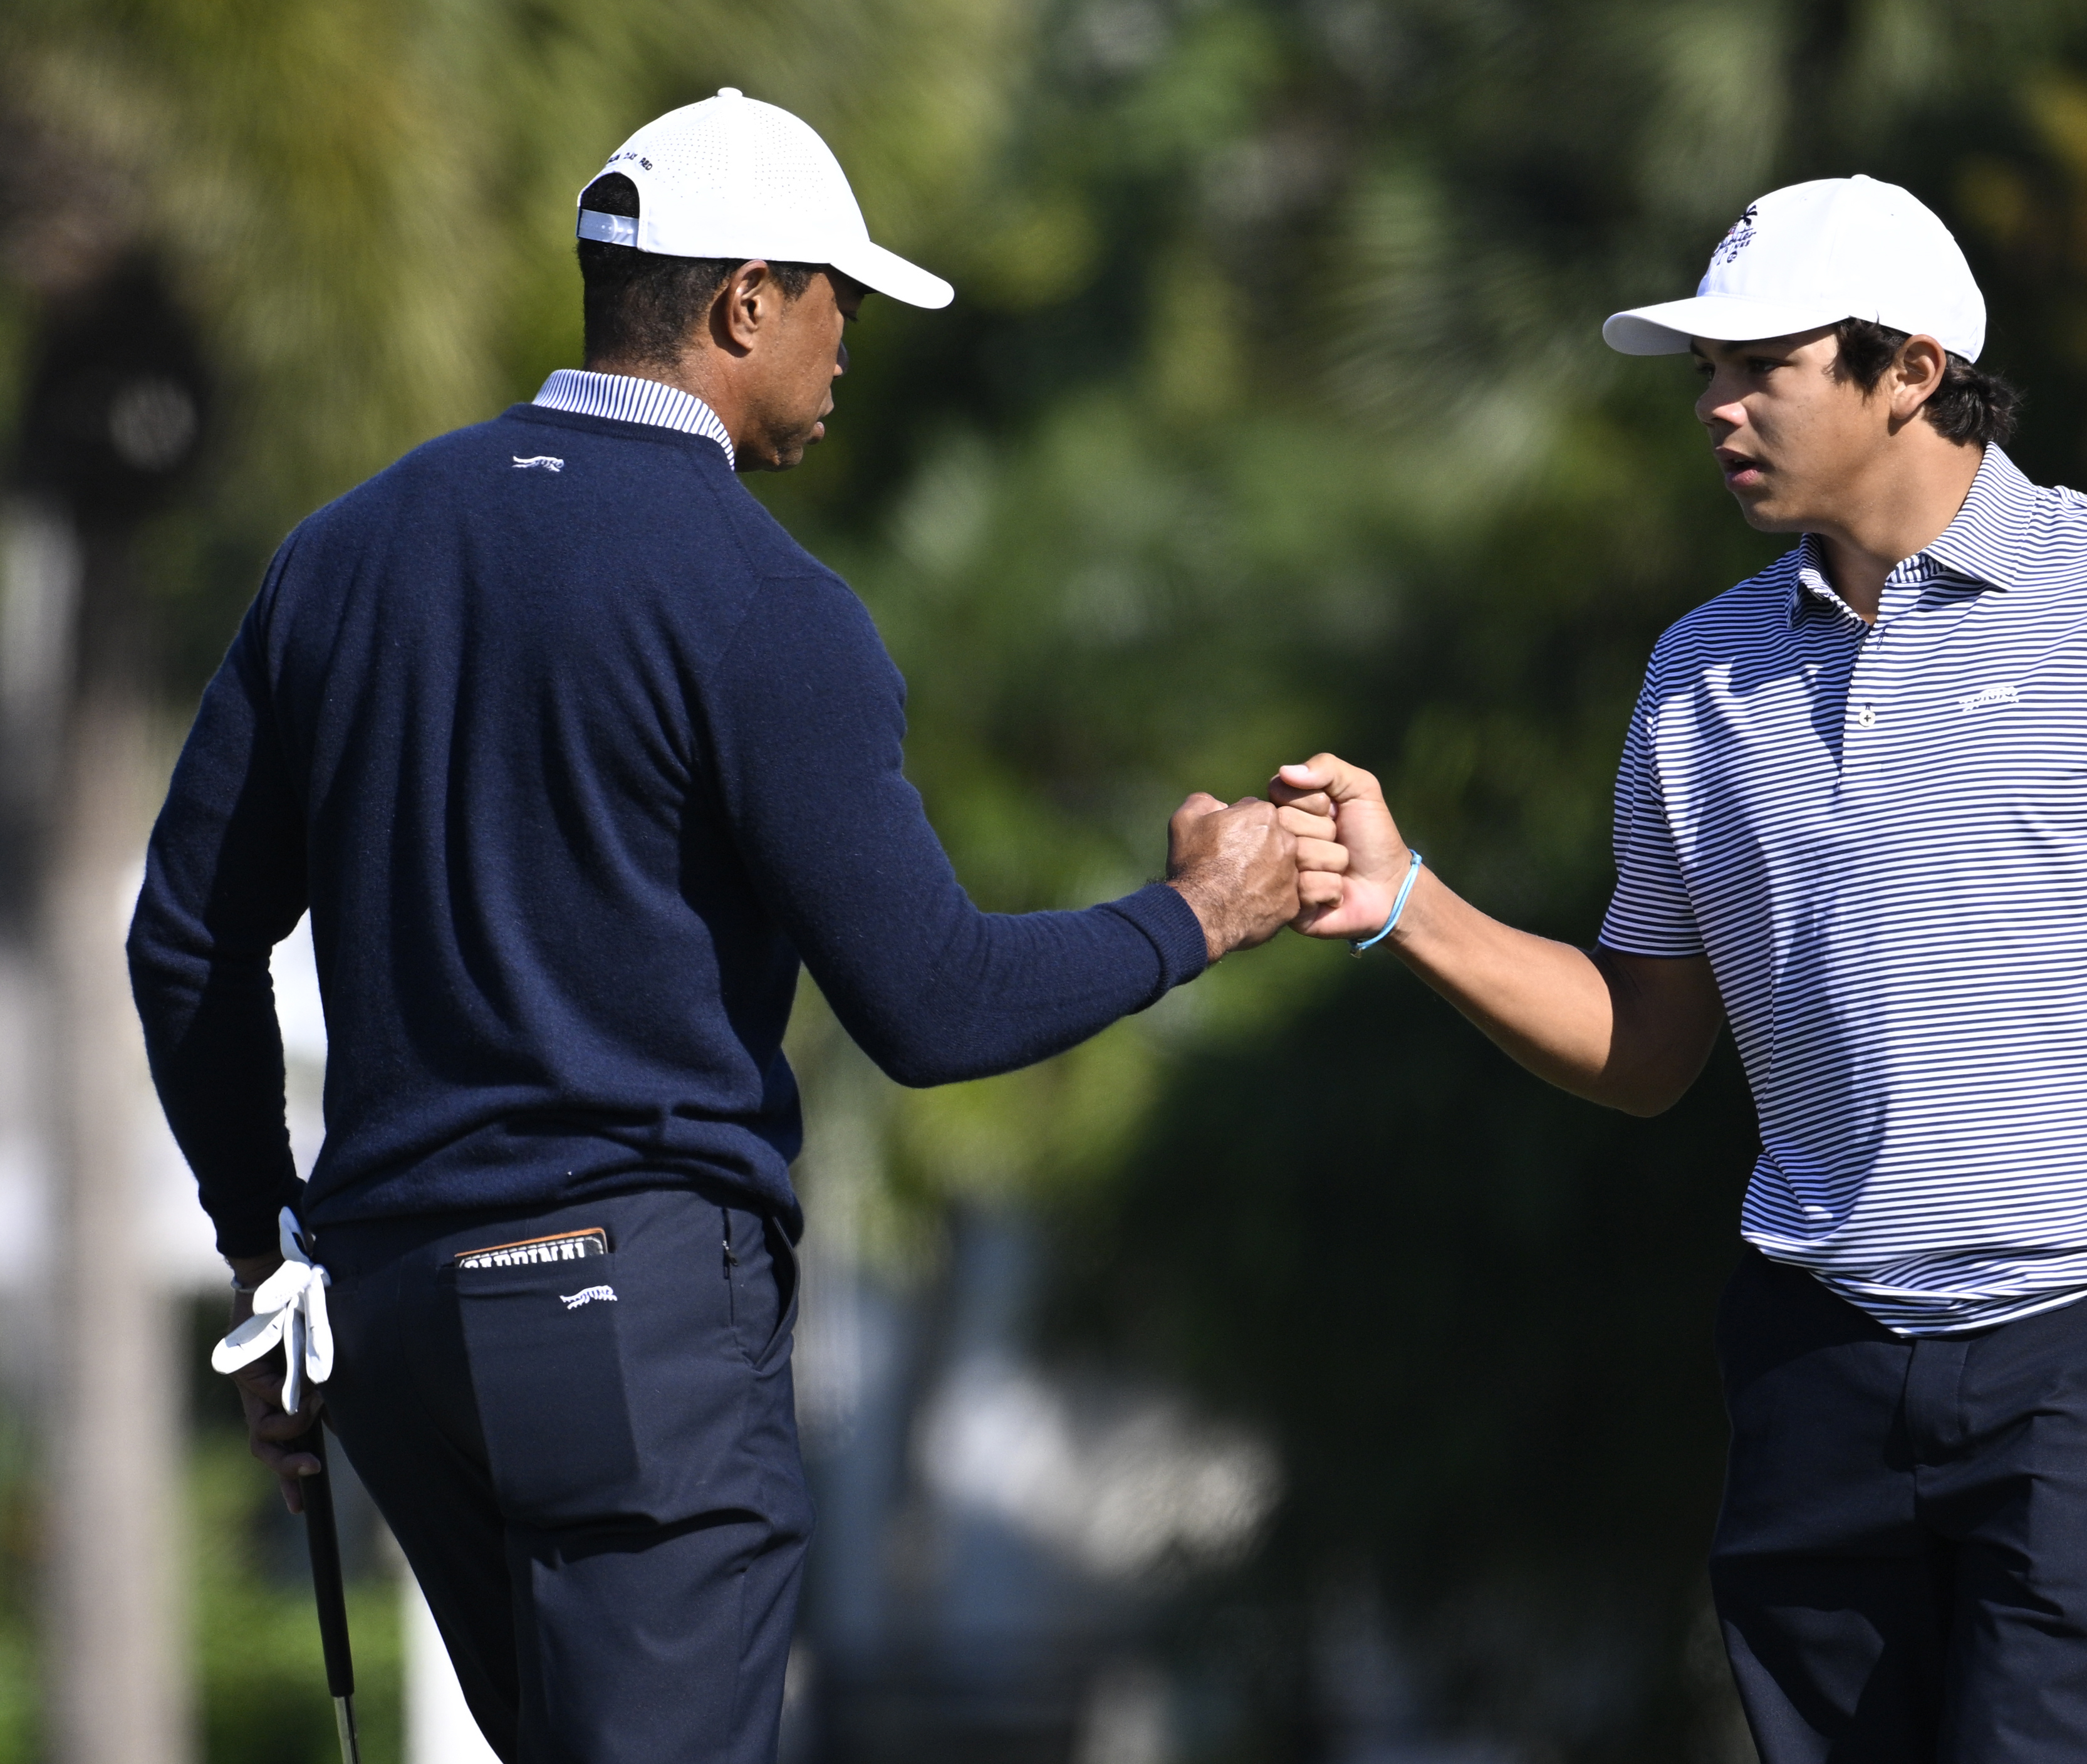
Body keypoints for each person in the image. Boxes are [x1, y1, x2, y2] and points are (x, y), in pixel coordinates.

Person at [130, 90, 1298, 1763]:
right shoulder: (762, 600)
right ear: (745, 302)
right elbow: (939, 1005)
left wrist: (268, 1255)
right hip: (627, 1323)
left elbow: (187, 940)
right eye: (837, 298)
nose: (849, 345)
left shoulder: (344, 553)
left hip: (395, 1326)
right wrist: (1200, 913)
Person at [1272, 175, 2087, 1761]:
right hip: (1815, 1352)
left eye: (1761, 363)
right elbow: (1648, 1042)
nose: (1716, 404)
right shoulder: (1701, 673)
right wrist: (1407, 899)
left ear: (1910, 370)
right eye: (1705, 371)